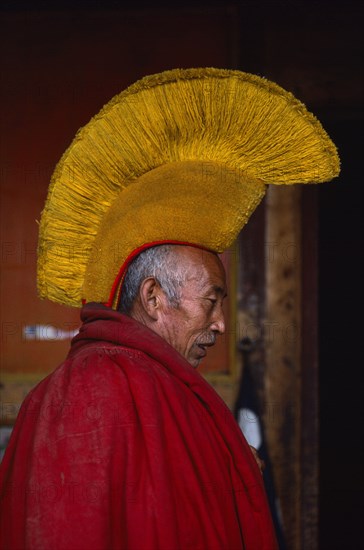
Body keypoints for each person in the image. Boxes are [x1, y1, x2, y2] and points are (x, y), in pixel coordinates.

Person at [0, 68, 339, 549]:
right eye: (211, 302)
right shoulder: (87, 392)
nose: (221, 323)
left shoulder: (165, 386)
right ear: (154, 297)